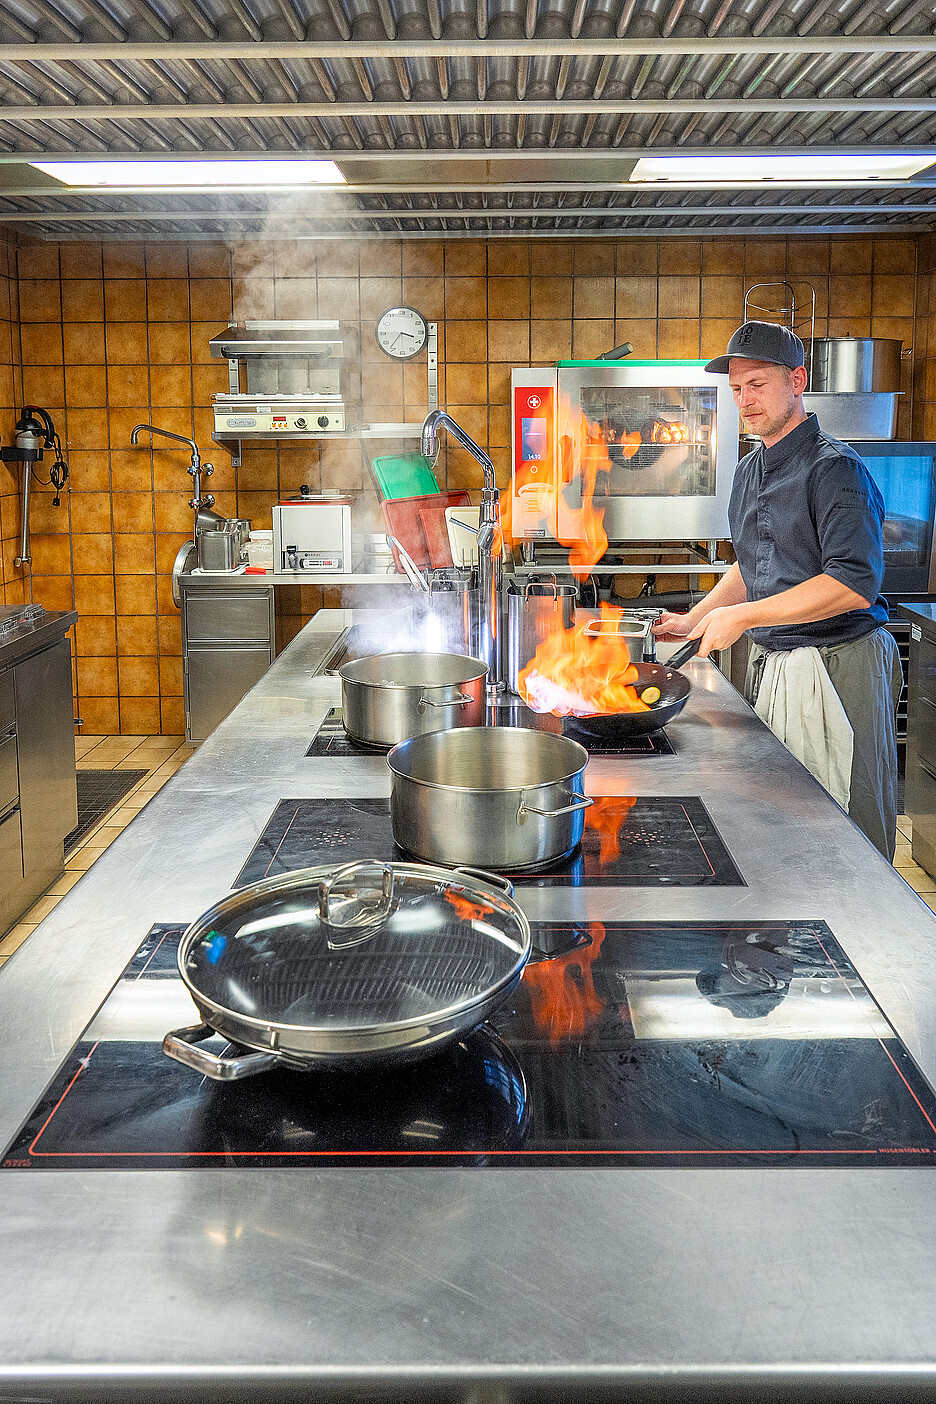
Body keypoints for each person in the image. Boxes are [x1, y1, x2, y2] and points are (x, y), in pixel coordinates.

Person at [652, 320, 903, 860]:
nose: (745, 400)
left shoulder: (836, 471)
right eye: (737, 388)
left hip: (842, 665)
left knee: (850, 822)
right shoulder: (748, 471)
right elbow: (753, 565)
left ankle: (871, 934)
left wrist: (742, 619)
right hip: (782, 662)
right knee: (791, 820)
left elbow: (853, 583)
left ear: (797, 380)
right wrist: (694, 620)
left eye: (758, 385)